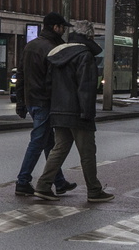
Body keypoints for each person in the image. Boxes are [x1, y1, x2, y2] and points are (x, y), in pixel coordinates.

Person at [35, 27, 113, 203]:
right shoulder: (85, 56)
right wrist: (87, 113)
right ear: (88, 36)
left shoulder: (56, 55)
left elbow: (48, 84)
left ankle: (43, 185)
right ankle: (94, 190)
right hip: (78, 112)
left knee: (59, 149)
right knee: (87, 152)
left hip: (59, 110)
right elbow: (86, 87)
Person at [13, 14, 74, 199]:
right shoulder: (54, 49)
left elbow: (21, 75)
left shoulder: (30, 46)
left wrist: (20, 102)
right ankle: (23, 182)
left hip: (32, 101)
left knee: (48, 142)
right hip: (45, 101)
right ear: (55, 27)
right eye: (62, 27)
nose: (64, 30)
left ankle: (59, 182)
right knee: (38, 141)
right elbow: (54, 80)